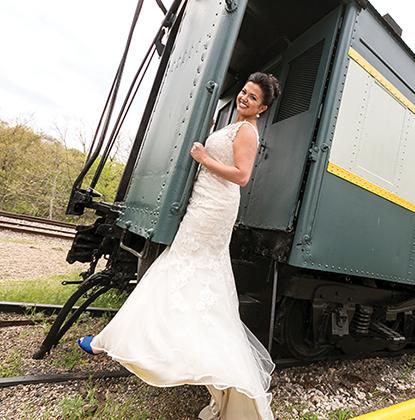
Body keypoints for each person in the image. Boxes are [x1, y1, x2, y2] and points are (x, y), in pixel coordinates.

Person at [77, 72, 281, 420]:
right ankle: (188, 362)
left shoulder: (247, 130)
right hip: (204, 202)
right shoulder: (233, 124)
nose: (244, 98)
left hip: (215, 207)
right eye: (244, 92)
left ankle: (110, 341)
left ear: (261, 108)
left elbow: (243, 176)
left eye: (252, 97)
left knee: (179, 269)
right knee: (190, 278)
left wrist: (204, 159)